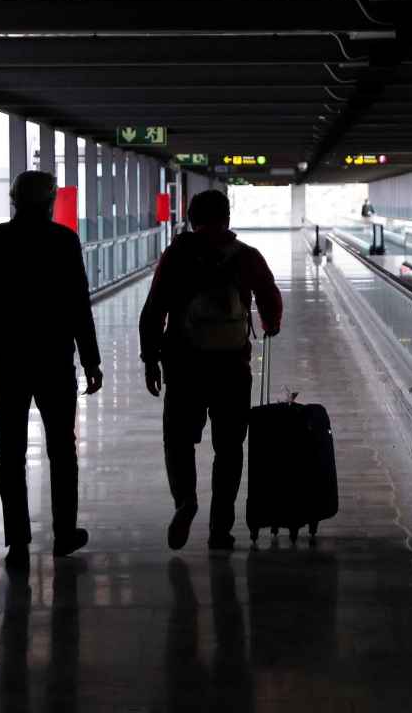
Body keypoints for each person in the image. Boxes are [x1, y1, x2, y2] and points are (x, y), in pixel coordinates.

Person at [0, 170, 102, 570]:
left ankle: (17, 540)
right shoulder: (63, 241)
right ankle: (64, 534)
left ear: (14, 200)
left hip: (10, 360)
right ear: (50, 202)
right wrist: (91, 359)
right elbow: (77, 305)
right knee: (61, 448)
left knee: (12, 449)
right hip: (54, 359)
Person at [139, 189, 284, 552]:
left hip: (184, 365)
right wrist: (270, 322)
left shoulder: (176, 255)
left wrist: (149, 358)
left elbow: (154, 308)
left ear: (191, 219)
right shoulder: (246, 257)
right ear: (228, 218)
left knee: (178, 439)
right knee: (230, 448)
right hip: (232, 367)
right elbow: (270, 297)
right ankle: (220, 528)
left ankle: (185, 500)